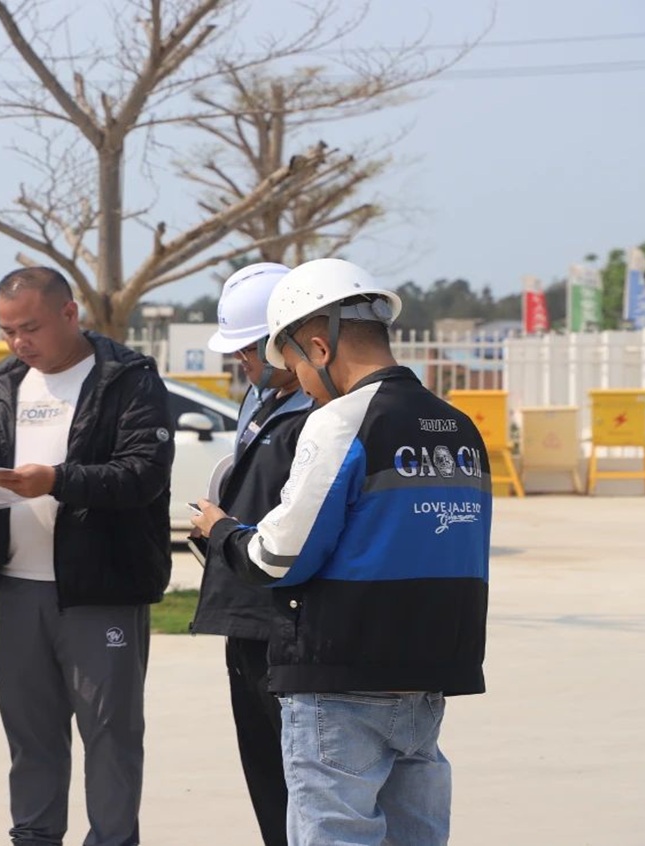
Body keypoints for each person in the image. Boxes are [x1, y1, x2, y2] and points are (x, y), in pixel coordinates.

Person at [190, 258, 491, 846]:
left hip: (341, 681)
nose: (301, 383)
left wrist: (223, 530)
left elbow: (276, 558)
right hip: (428, 678)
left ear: (320, 348)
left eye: (297, 365)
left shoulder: (339, 422)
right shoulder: (458, 426)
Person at [0, 267, 173, 846]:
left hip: (101, 590)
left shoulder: (127, 378)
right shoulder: (7, 380)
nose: (19, 342)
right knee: (30, 734)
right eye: (7, 330)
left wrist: (57, 480)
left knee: (110, 734)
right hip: (17, 587)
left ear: (69, 313)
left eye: (30, 328)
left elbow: (143, 475)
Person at [187, 262, 313, 846]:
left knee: (304, 783)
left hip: (288, 623)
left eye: (248, 349)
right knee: (265, 774)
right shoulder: (260, 399)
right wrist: (217, 529)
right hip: (245, 612)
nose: (242, 361)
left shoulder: (323, 413)